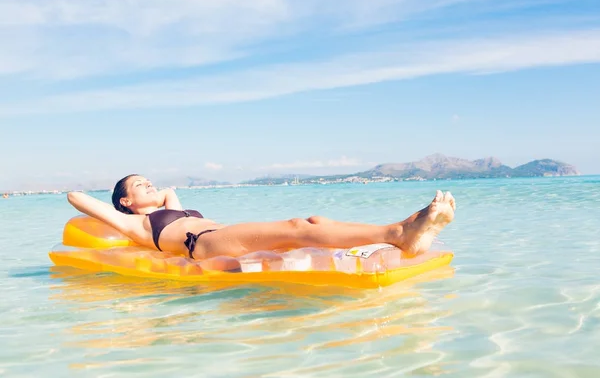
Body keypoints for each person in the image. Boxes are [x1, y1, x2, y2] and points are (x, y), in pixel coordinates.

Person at [67, 174, 456, 260]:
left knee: (314, 221)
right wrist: (126, 207)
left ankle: (404, 229)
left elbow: (169, 194)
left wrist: (153, 194)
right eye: (140, 184)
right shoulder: (134, 223)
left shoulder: (171, 208)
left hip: (223, 233)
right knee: (295, 229)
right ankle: (400, 232)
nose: (151, 184)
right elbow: (76, 196)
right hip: (202, 245)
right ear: (124, 202)